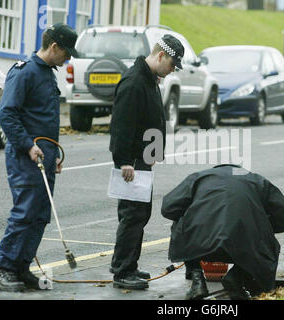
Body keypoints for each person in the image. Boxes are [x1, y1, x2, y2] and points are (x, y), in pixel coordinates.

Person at [0, 23, 78, 292]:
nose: (69, 58)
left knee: (40, 214)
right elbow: (7, 113)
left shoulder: (47, 73)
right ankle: (4, 269)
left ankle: (21, 266)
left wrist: (53, 154)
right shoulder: (25, 72)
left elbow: (44, 120)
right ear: (54, 47)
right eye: (67, 52)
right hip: (25, 158)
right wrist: (28, 145)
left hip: (44, 157)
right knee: (25, 212)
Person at [109, 34, 184, 290]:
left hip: (142, 161)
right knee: (132, 216)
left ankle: (128, 264)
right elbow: (121, 126)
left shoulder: (149, 80)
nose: (173, 69)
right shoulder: (134, 82)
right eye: (173, 64)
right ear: (161, 56)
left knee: (140, 215)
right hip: (131, 164)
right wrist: (123, 162)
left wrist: (152, 155)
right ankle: (122, 271)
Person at [161, 164, 284, 300]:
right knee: (266, 239)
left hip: (199, 242)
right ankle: (237, 276)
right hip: (244, 245)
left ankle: (198, 281)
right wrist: (260, 227)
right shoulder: (257, 180)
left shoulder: (199, 177)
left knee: (181, 223)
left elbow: (168, 209)